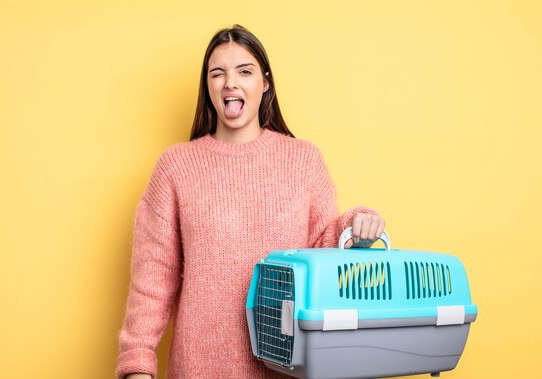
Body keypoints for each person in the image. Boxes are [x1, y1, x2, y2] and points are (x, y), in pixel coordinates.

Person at [116, 25, 385, 379]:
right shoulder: (175, 167)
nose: (230, 83)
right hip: (199, 368)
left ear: (265, 82)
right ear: (208, 87)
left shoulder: (303, 159)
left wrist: (356, 225)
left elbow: (324, 242)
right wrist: (137, 364)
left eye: (244, 71)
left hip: (288, 367)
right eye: (218, 74)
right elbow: (151, 281)